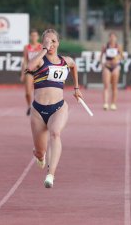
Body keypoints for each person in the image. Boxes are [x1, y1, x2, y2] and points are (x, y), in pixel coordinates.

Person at [26, 29, 82, 188]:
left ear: (58, 43)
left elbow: (73, 65)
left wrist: (76, 88)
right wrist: (43, 49)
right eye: (47, 41)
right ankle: (40, 156)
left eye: (53, 41)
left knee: (55, 133)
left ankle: (51, 175)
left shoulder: (65, 61)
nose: (50, 44)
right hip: (38, 111)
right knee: (39, 151)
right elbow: (30, 67)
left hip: (58, 107)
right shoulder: (38, 59)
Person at [99, 32, 124, 111]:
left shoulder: (118, 46)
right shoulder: (105, 46)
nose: (112, 38)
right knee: (106, 85)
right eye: (111, 37)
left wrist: (118, 57)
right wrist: (102, 63)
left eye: (114, 37)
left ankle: (113, 103)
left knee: (114, 86)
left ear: (116, 38)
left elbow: (122, 56)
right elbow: (101, 56)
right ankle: (105, 103)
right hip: (107, 66)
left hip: (115, 67)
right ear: (109, 38)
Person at [21, 29, 42, 116]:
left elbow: (44, 59)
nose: (33, 37)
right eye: (32, 35)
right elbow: (25, 60)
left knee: (39, 92)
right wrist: (23, 73)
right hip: (30, 71)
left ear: (38, 37)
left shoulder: (41, 47)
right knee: (28, 92)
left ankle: (39, 108)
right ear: (30, 37)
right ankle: (29, 106)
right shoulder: (27, 47)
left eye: (35, 35)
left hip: (39, 71)